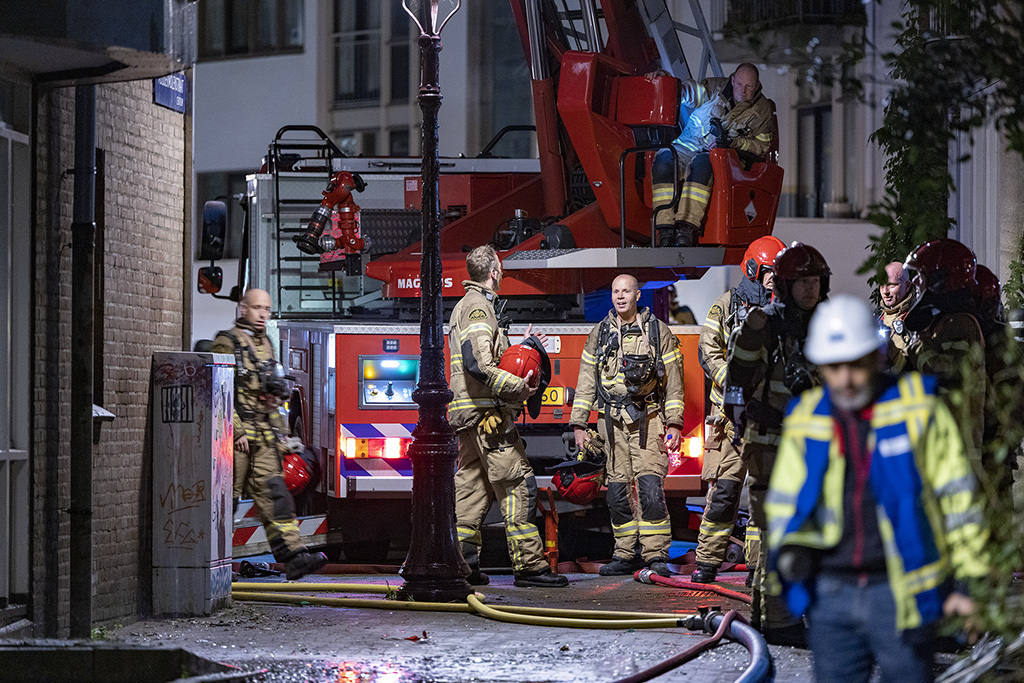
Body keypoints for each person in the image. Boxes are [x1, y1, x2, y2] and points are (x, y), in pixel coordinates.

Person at [766, 294, 989, 682]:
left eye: (856, 364)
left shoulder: (919, 409)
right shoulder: (806, 418)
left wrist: (968, 585)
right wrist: (789, 557)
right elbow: (784, 500)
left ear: (876, 357)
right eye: (834, 367)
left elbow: (959, 502)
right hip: (830, 595)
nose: (846, 379)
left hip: (902, 592)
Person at [723, 242, 830, 645]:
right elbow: (737, 382)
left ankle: (768, 614)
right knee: (777, 530)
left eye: (816, 280)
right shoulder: (762, 325)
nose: (810, 288)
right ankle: (779, 622)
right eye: (802, 281)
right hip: (770, 442)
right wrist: (738, 423)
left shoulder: (828, 324)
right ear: (785, 283)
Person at [449, 245, 568, 588]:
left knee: (471, 491)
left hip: (470, 418)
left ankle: (464, 565)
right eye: (500, 268)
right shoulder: (478, 308)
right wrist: (520, 389)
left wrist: (525, 343)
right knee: (519, 485)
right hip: (489, 418)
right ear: (494, 272)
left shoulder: (468, 306)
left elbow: (483, 356)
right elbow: (478, 363)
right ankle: (529, 566)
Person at [570, 274, 685, 577]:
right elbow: (585, 382)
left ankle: (655, 555)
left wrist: (674, 424)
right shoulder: (600, 334)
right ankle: (624, 554)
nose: (620, 297)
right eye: (615, 291)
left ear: (637, 296)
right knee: (617, 492)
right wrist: (579, 424)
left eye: (626, 291)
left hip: (648, 420)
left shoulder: (657, 332)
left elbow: (674, 382)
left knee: (649, 489)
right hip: (611, 424)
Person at [211, 288, 327, 580]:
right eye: (257, 308)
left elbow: (271, 397)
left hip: (264, 438)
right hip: (236, 441)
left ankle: (294, 557)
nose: (263, 314)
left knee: (276, 495)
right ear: (243, 308)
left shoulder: (266, 343)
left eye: (267, 309)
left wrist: (283, 435)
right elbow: (219, 392)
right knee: (226, 501)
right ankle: (215, 565)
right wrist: (235, 431)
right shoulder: (227, 343)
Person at [692, 235, 785, 585]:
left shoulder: (783, 311)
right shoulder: (727, 305)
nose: (774, 278)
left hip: (766, 419)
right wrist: (733, 381)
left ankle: (756, 568)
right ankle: (706, 564)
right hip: (730, 421)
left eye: (777, 272)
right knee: (724, 494)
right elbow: (707, 350)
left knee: (764, 498)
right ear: (752, 269)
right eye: (768, 271)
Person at [651, 63, 774, 247]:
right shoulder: (715, 88)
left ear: (757, 86)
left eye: (749, 86)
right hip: (688, 146)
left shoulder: (762, 111)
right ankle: (665, 227)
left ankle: (686, 227)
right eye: (739, 84)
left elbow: (761, 146)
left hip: (724, 157)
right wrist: (666, 81)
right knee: (664, 158)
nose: (743, 90)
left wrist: (733, 144)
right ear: (732, 80)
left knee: (702, 164)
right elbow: (689, 92)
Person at [903, 238, 986, 454]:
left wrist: (917, 341)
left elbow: (942, 370)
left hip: (956, 447)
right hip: (943, 441)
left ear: (940, 280)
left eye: (921, 276)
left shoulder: (960, 323)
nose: (916, 283)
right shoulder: (944, 320)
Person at [877, 261, 914, 372]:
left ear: (907, 286)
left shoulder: (917, 318)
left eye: (892, 285)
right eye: (882, 285)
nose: (885, 291)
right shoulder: (878, 319)